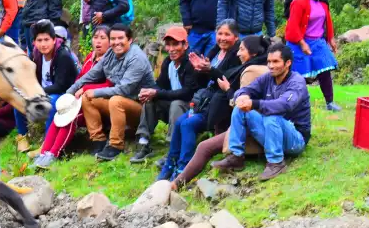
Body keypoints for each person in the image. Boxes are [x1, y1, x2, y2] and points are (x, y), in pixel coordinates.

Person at [161, 34, 269, 181]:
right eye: (219, 33)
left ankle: (180, 173)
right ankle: (169, 164)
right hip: (208, 105)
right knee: (180, 121)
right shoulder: (218, 54)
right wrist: (205, 70)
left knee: (193, 133)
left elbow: (241, 103)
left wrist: (225, 87)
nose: (238, 52)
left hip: (231, 120)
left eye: (242, 49)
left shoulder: (250, 70)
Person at [212, 44, 311, 181]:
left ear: (288, 63)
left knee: (272, 116)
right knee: (240, 109)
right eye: (269, 61)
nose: (270, 66)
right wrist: (242, 96)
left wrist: (254, 103)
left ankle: (276, 163)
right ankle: (236, 156)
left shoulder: (296, 82)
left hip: (295, 139)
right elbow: (247, 89)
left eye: (275, 62)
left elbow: (284, 105)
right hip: (272, 133)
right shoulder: (267, 78)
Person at [67, 24, 155, 160]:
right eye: (113, 39)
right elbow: (91, 75)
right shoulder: (110, 53)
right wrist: (69, 92)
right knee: (86, 98)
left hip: (142, 111)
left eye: (121, 38)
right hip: (121, 106)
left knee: (115, 100)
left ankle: (115, 146)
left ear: (130, 40)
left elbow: (124, 89)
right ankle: (98, 140)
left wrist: (96, 92)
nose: (116, 42)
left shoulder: (136, 58)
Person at [33, 25, 112, 168]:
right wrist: (73, 92)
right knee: (60, 114)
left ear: (110, 41)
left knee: (70, 118)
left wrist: (85, 89)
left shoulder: (111, 59)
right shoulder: (90, 57)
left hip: (98, 101)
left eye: (103, 38)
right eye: (95, 37)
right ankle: (44, 152)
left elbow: (110, 84)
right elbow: (80, 78)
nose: (98, 42)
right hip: (81, 99)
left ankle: (53, 154)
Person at [130, 25, 201, 163]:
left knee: (176, 103)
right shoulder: (168, 62)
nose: (171, 49)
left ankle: (173, 150)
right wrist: (149, 92)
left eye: (175, 44)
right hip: (175, 104)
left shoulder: (191, 62)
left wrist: (157, 92)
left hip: (193, 108)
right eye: (168, 45)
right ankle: (143, 143)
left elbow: (187, 92)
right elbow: (160, 85)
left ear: (185, 45)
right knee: (150, 101)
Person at [12, 20, 77, 153]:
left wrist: (37, 92)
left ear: (54, 40)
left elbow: (61, 85)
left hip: (65, 93)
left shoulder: (63, 55)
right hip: (43, 91)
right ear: (34, 42)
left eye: (46, 39)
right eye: (39, 40)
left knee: (52, 102)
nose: (43, 44)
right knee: (17, 98)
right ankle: (22, 136)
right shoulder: (36, 54)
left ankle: (46, 144)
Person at [284, 0, 340, 111]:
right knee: (300, 75)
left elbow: (327, 20)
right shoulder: (299, 2)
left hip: (318, 42)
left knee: (324, 70)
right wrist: (302, 43)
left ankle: (330, 102)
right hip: (299, 42)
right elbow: (293, 26)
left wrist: (331, 38)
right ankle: (296, 104)